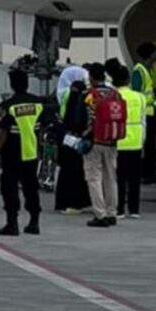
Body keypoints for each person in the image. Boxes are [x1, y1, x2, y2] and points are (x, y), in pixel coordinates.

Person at [0, 68, 48, 236]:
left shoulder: (7, 106)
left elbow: (3, 131)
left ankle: (12, 223)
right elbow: (41, 127)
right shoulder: (38, 103)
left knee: (9, 188)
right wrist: (39, 142)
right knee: (31, 187)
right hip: (31, 152)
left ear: (12, 85)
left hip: (11, 153)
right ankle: (34, 222)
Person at [83, 63, 120, 228]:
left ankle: (100, 214)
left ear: (91, 77)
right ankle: (112, 212)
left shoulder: (89, 95)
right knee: (110, 177)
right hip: (112, 139)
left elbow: (83, 118)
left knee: (94, 177)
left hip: (95, 140)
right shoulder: (115, 93)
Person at [55, 66, 91, 213]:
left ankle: (64, 202)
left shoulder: (65, 94)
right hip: (78, 137)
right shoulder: (82, 95)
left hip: (66, 137)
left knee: (66, 171)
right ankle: (78, 202)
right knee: (77, 172)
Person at [115, 65, 146, 219]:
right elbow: (143, 120)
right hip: (136, 142)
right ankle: (134, 210)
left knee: (120, 178)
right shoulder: (140, 97)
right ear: (128, 80)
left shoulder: (114, 96)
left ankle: (119, 209)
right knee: (134, 178)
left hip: (119, 141)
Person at [133, 43, 156, 184]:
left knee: (151, 146)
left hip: (150, 111)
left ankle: (150, 172)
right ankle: (147, 173)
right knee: (148, 146)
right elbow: (137, 92)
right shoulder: (139, 70)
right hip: (145, 113)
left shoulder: (147, 69)